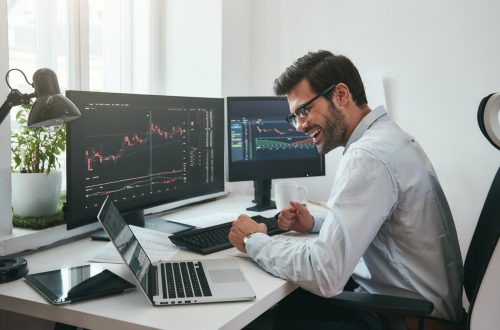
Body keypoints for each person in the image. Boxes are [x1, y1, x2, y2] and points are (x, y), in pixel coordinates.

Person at [228, 50, 464, 329]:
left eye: (304, 110)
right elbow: (380, 217)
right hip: (422, 311)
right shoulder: (389, 139)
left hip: (405, 320)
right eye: (294, 117)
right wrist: (314, 222)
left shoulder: (367, 156)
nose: (300, 126)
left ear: (340, 95)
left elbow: (324, 273)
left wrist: (254, 241)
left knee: (259, 320)